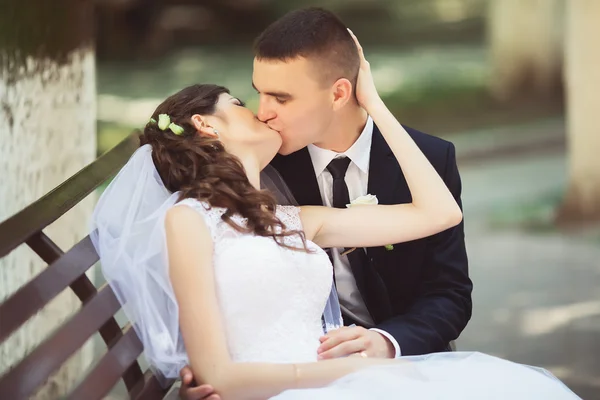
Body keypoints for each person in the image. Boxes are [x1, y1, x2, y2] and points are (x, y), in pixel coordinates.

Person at [91, 28, 579, 399]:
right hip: (318, 383)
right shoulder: (190, 219)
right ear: (205, 125)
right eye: (246, 100)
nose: (263, 111)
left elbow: (440, 214)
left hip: (347, 376)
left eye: (275, 97)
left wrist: (376, 103)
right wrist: (352, 374)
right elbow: (216, 372)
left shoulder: (291, 217)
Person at [180, 7, 473, 399]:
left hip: (399, 364)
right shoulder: (259, 162)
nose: (263, 112)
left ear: (339, 93)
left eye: (281, 98)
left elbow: (449, 292)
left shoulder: (428, 161)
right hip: (288, 373)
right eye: (259, 92)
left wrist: (385, 343)